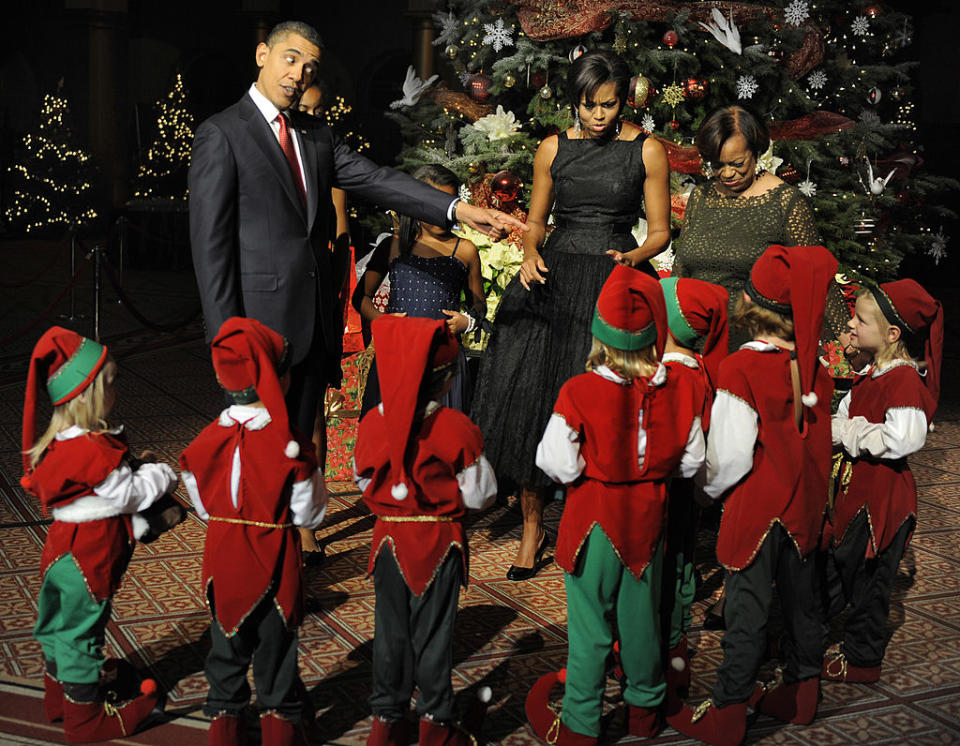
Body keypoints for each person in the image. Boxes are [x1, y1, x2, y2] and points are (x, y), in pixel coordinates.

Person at [188, 18, 526, 457]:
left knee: (304, 449)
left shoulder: (315, 136)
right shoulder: (222, 134)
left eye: (310, 68)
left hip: (314, 324)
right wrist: (226, 344)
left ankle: (303, 526)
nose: (298, 75)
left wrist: (456, 208)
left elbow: (379, 180)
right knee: (262, 456)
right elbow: (210, 250)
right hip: (257, 326)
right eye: (290, 60)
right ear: (262, 56)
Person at [471, 48, 671, 581]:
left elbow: (659, 232)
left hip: (613, 277)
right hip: (555, 276)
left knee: (607, 405)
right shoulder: (552, 148)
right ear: (574, 103)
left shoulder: (646, 150)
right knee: (536, 398)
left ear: (624, 101)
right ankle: (533, 529)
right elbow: (535, 221)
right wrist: (531, 252)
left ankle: (601, 522)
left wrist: (635, 258)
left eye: (608, 105)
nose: (599, 116)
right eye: (588, 106)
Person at [525, 266, 704, 745]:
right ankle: (644, 713)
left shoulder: (579, 390)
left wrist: (593, 461)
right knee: (643, 621)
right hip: (648, 519)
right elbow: (692, 462)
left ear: (600, 335)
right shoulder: (680, 388)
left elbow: (556, 463)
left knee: (589, 626)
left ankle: (582, 723)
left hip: (592, 521)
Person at [669, 245, 837, 746]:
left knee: (746, 613)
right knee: (804, 605)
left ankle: (727, 712)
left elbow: (733, 454)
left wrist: (706, 493)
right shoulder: (817, 369)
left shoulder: (741, 369)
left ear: (750, 305)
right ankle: (803, 695)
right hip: (805, 507)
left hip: (759, 509)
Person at [21, 327, 175, 742]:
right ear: (89, 394)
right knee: (84, 631)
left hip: (59, 551)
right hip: (90, 556)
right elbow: (127, 493)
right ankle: (86, 720)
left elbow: (103, 485)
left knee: (56, 623)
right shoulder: (93, 447)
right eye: (112, 381)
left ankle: (61, 698)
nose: (117, 388)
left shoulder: (58, 443)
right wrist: (164, 476)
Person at [179, 317, 327, 746]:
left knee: (225, 652)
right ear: (275, 378)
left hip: (222, 563)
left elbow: (205, 509)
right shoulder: (291, 446)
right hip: (275, 564)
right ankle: (280, 724)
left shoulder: (203, 442)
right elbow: (309, 516)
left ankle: (225, 727)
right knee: (275, 657)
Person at [352, 316, 497, 746]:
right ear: (447, 379)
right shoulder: (455, 427)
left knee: (390, 634)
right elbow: (481, 494)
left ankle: (386, 723)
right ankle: (436, 724)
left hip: (389, 542)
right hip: (439, 543)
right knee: (434, 636)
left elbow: (364, 482)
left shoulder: (372, 423)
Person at [822, 280, 942, 683]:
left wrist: (848, 431)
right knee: (840, 565)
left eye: (860, 319)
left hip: (883, 501)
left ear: (892, 334)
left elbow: (903, 438)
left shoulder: (904, 380)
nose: (851, 325)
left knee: (871, 583)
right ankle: (805, 632)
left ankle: (862, 660)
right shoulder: (872, 373)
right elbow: (844, 415)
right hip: (857, 490)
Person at [672, 105, 847, 351]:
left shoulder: (784, 202)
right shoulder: (702, 196)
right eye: (717, 165)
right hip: (696, 341)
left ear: (755, 151)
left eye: (737, 163)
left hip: (753, 346)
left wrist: (848, 339)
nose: (727, 173)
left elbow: (817, 276)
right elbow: (680, 269)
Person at [354, 164, 485, 416]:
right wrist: (382, 321)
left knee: (440, 436)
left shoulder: (465, 250)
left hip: (443, 357)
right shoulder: (392, 247)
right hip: (397, 352)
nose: (440, 215)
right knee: (389, 432)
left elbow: (478, 305)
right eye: (432, 205)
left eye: (446, 205)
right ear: (414, 203)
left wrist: (465, 322)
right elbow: (360, 297)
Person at [657, 276, 728, 709]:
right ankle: (673, 647)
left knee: (667, 570)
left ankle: (663, 652)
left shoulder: (676, 378)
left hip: (669, 493)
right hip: (685, 495)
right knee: (679, 564)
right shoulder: (697, 368)